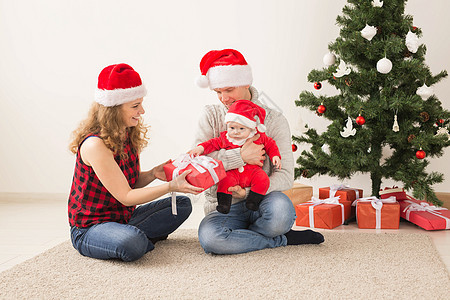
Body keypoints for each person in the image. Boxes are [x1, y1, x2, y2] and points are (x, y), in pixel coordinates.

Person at [194, 49, 324, 254]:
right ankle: (278, 240)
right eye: (218, 92)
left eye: (229, 90)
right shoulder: (210, 116)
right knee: (211, 239)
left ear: (246, 82)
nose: (224, 98)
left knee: (281, 214)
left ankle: (248, 237)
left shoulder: (273, 120)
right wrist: (240, 157)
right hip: (225, 206)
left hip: (264, 200)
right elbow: (201, 164)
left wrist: (249, 192)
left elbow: (286, 176)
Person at [68, 63, 203, 262]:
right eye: (135, 106)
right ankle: (131, 238)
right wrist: (171, 186)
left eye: (140, 104)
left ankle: (129, 236)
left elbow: (127, 183)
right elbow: (126, 196)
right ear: (113, 109)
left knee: (181, 204)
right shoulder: (94, 145)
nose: (142, 111)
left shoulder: (126, 132)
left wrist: (152, 174)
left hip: (124, 218)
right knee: (132, 242)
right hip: (90, 227)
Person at [188, 99, 281, 214]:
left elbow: (270, 144)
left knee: (263, 179)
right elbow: (211, 144)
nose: (236, 132)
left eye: (241, 129)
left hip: (253, 172)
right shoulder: (226, 138)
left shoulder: (258, 137)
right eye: (232, 128)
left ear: (251, 128)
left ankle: (253, 201)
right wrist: (200, 148)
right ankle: (224, 204)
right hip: (233, 172)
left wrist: (275, 156)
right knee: (224, 181)